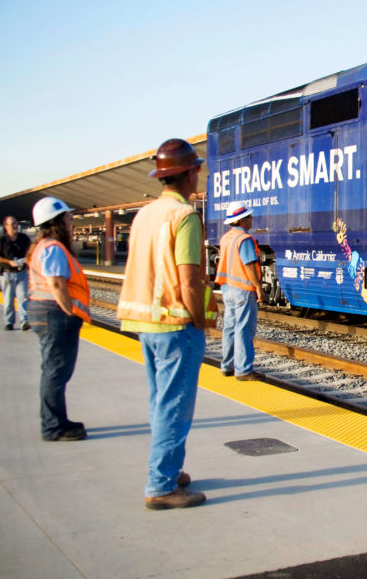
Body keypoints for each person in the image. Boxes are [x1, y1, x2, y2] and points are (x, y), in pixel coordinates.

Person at [117, 138, 214, 510]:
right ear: (189, 173)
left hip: (146, 323)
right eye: (197, 170)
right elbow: (189, 280)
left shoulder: (144, 215)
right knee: (175, 407)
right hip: (176, 323)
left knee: (162, 403)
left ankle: (169, 472)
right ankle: (160, 485)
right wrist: (201, 321)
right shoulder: (184, 216)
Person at [26, 197, 91, 442]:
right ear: (57, 222)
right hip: (55, 314)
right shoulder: (53, 248)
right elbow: (56, 283)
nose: (71, 222)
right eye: (68, 217)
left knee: (53, 370)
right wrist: (69, 311)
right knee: (55, 372)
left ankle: (56, 421)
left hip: (44, 311)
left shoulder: (42, 246)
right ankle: (53, 426)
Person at [215, 201, 265, 380]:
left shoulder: (226, 238)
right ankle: (243, 370)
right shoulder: (244, 239)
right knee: (244, 329)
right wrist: (258, 287)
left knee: (229, 328)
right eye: (249, 216)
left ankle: (227, 366)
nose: (252, 219)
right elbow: (249, 265)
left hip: (227, 288)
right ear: (242, 220)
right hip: (243, 289)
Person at [0, 215, 31, 330]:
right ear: (6, 226)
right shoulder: (1, 240)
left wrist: (27, 259)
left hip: (22, 273)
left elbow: (31, 251)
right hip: (7, 273)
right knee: (8, 300)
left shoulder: (24, 238)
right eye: (12, 224)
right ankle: (9, 322)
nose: (15, 226)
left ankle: (24, 321)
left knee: (23, 297)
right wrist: (9, 262)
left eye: (16, 223)